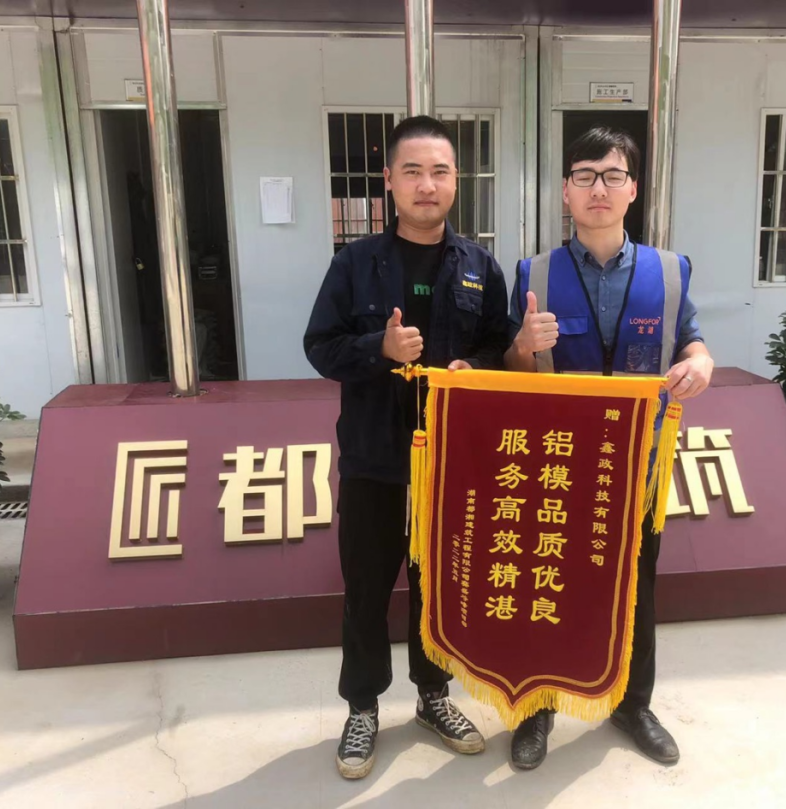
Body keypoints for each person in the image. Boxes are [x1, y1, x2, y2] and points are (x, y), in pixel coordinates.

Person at [304, 115, 510, 780]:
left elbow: (499, 347)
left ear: (456, 181)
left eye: (440, 171)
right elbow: (320, 347)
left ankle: (433, 696)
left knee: (438, 587)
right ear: (389, 180)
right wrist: (380, 347)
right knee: (366, 588)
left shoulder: (479, 266)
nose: (427, 185)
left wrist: (479, 366)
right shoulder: (353, 264)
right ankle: (362, 706)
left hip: (452, 463)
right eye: (413, 171)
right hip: (373, 458)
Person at [503, 126, 714, 770]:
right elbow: (509, 372)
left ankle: (631, 703)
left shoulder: (669, 271)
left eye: (613, 175)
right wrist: (523, 345)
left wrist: (702, 362)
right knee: (546, 582)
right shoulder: (534, 273)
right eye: (585, 176)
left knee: (635, 586)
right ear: (566, 191)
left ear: (633, 190)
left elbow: (690, 340)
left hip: (637, 460)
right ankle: (536, 707)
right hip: (554, 462)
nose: (599, 187)